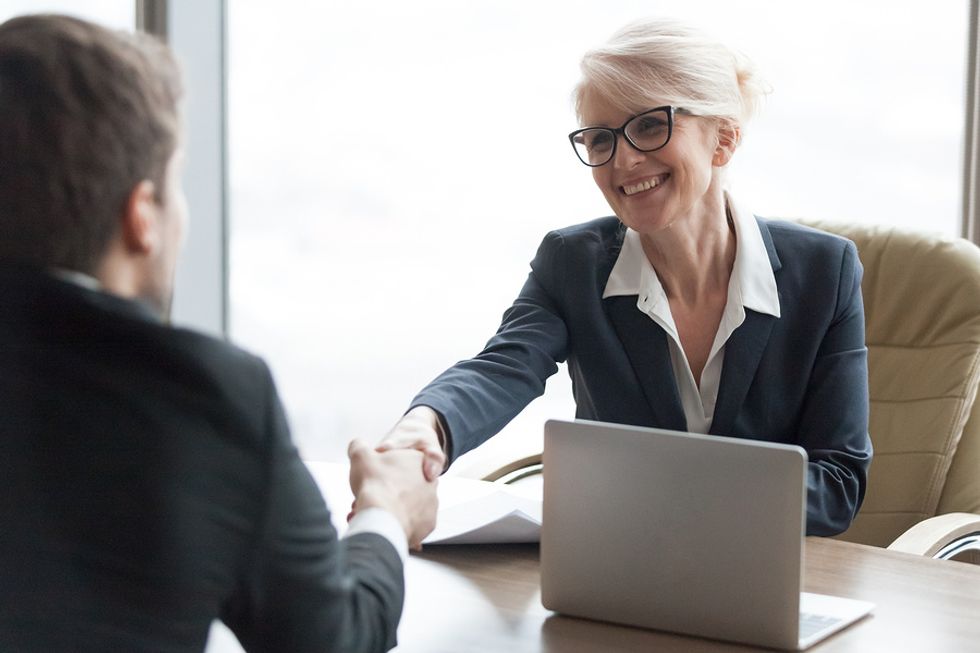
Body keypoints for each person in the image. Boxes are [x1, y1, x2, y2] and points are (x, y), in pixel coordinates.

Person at [0, 14, 436, 652]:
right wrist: (386, 513)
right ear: (141, 217)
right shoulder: (202, 399)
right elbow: (332, 641)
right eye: (176, 185)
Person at [382, 19, 872, 536]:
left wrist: (668, 493)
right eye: (600, 139)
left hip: (770, 578)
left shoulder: (826, 273)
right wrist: (425, 427)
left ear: (723, 140)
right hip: (616, 570)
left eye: (648, 126)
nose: (624, 160)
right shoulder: (572, 263)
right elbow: (503, 368)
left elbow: (837, 484)